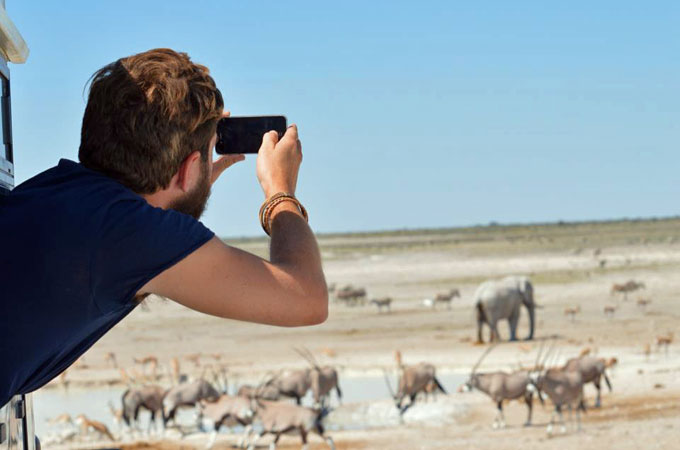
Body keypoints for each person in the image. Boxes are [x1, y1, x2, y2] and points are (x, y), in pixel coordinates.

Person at [0, 48, 328, 406]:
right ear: (187, 169)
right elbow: (307, 298)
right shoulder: (132, 235)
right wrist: (279, 191)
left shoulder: (61, 191)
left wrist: (186, 189)